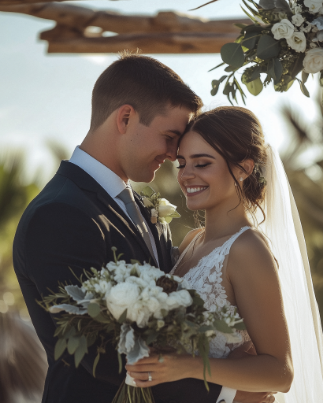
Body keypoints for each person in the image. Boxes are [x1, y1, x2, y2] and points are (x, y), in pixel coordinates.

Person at [12, 54, 273, 403]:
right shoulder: (60, 213)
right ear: (125, 118)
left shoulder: (141, 207)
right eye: (169, 137)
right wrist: (229, 392)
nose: (172, 155)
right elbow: (101, 353)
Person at [125, 107, 323, 402]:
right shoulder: (193, 239)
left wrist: (185, 367)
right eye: (182, 163)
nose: (186, 175)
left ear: (243, 169)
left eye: (202, 164)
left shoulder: (247, 250)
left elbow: (280, 373)